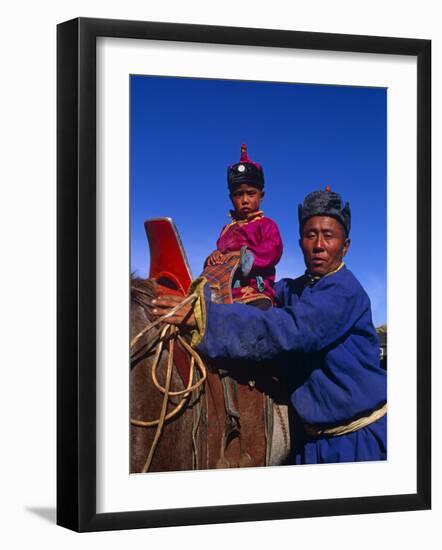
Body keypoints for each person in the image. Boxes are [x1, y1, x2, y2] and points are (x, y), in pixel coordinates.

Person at [152, 187, 387, 465]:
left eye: (329, 235)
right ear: (300, 242)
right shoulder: (296, 289)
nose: (319, 245)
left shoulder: (344, 292)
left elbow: (287, 329)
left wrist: (206, 319)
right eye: (311, 235)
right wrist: (203, 296)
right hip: (310, 444)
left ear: (344, 245)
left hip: (357, 441)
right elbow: (258, 298)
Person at [205, 144, 283, 309]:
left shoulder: (266, 225)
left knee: (256, 315)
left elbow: (272, 251)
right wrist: (214, 255)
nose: (245, 200)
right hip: (223, 292)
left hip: (254, 292)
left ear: (261, 196)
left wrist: (241, 257)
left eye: (251, 193)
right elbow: (221, 255)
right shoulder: (227, 230)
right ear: (231, 197)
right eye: (239, 194)